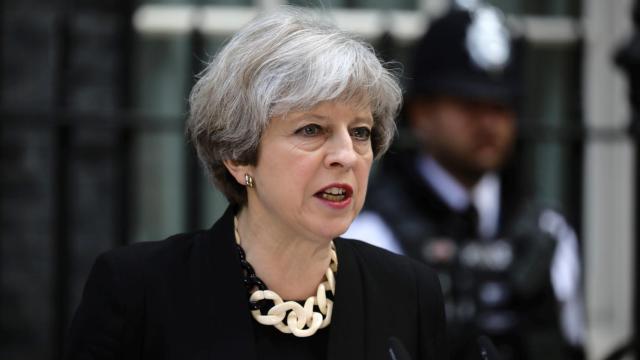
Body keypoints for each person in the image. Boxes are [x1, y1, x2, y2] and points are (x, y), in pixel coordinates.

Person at [63, 7, 448, 360]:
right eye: (312, 129)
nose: (346, 155)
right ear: (238, 156)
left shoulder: (409, 294)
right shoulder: (138, 291)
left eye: (360, 132)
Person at [344, 2, 584, 360]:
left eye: (501, 108)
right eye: (469, 104)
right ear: (423, 112)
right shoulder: (370, 232)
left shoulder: (548, 230)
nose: (489, 124)